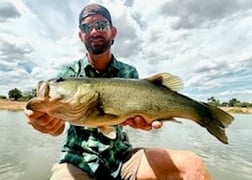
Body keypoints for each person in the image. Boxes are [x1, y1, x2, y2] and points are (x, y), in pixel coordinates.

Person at [25, 3, 210, 180]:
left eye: (100, 24)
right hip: (76, 160)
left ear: (113, 32)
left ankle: (203, 114)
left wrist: (143, 123)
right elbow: (57, 126)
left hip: (122, 157)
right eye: (86, 27)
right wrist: (49, 124)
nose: (94, 31)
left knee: (192, 166)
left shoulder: (129, 73)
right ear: (81, 35)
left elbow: (134, 121)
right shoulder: (68, 73)